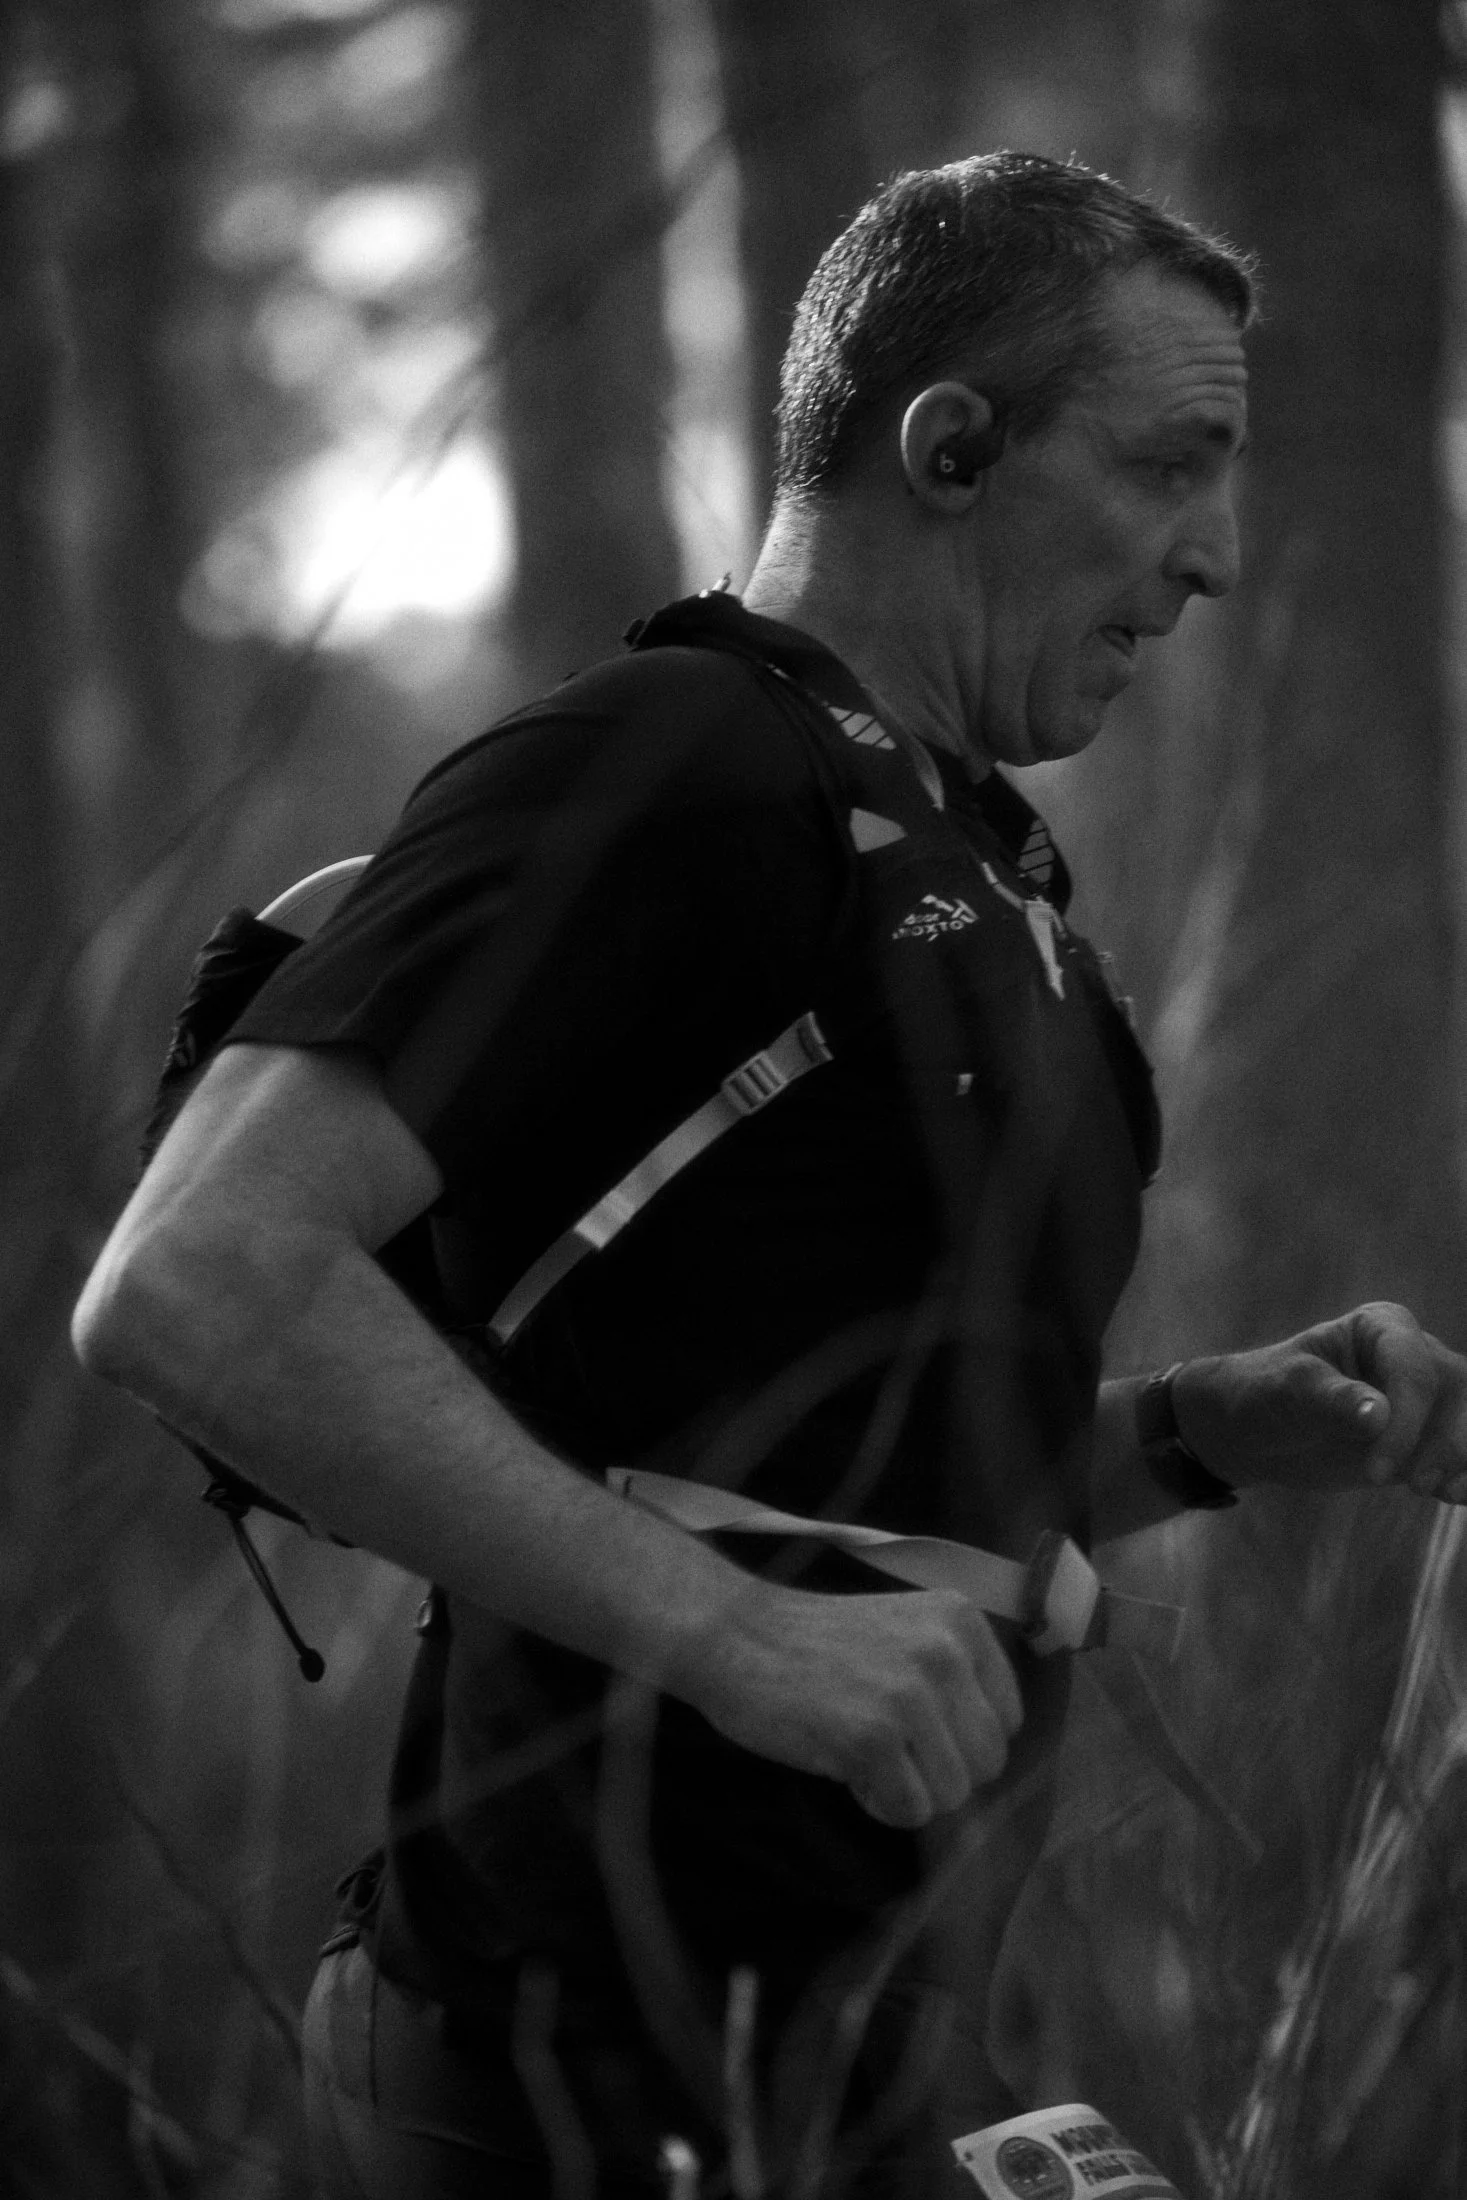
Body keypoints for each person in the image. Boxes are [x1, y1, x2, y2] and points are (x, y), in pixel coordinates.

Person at [72, 152, 1467, 2199]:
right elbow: (194, 1278)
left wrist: (1188, 1433)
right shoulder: (667, 765)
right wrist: (733, 1637)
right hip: (569, 2035)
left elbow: (779, 1465)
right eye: (1174, 465)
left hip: (851, 2020)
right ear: (952, 442)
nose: (1217, 556)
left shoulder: (963, 846)